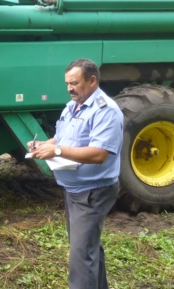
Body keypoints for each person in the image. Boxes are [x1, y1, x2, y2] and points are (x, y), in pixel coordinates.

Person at [28, 58, 123, 289]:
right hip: (74, 190)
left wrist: (57, 150)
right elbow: (62, 137)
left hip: (93, 191)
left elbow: (99, 154)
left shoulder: (105, 110)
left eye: (75, 83)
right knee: (87, 249)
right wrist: (43, 145)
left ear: (92, 81)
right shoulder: (72, 106)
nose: (70, 88)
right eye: (67, 83)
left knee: (81, 257)